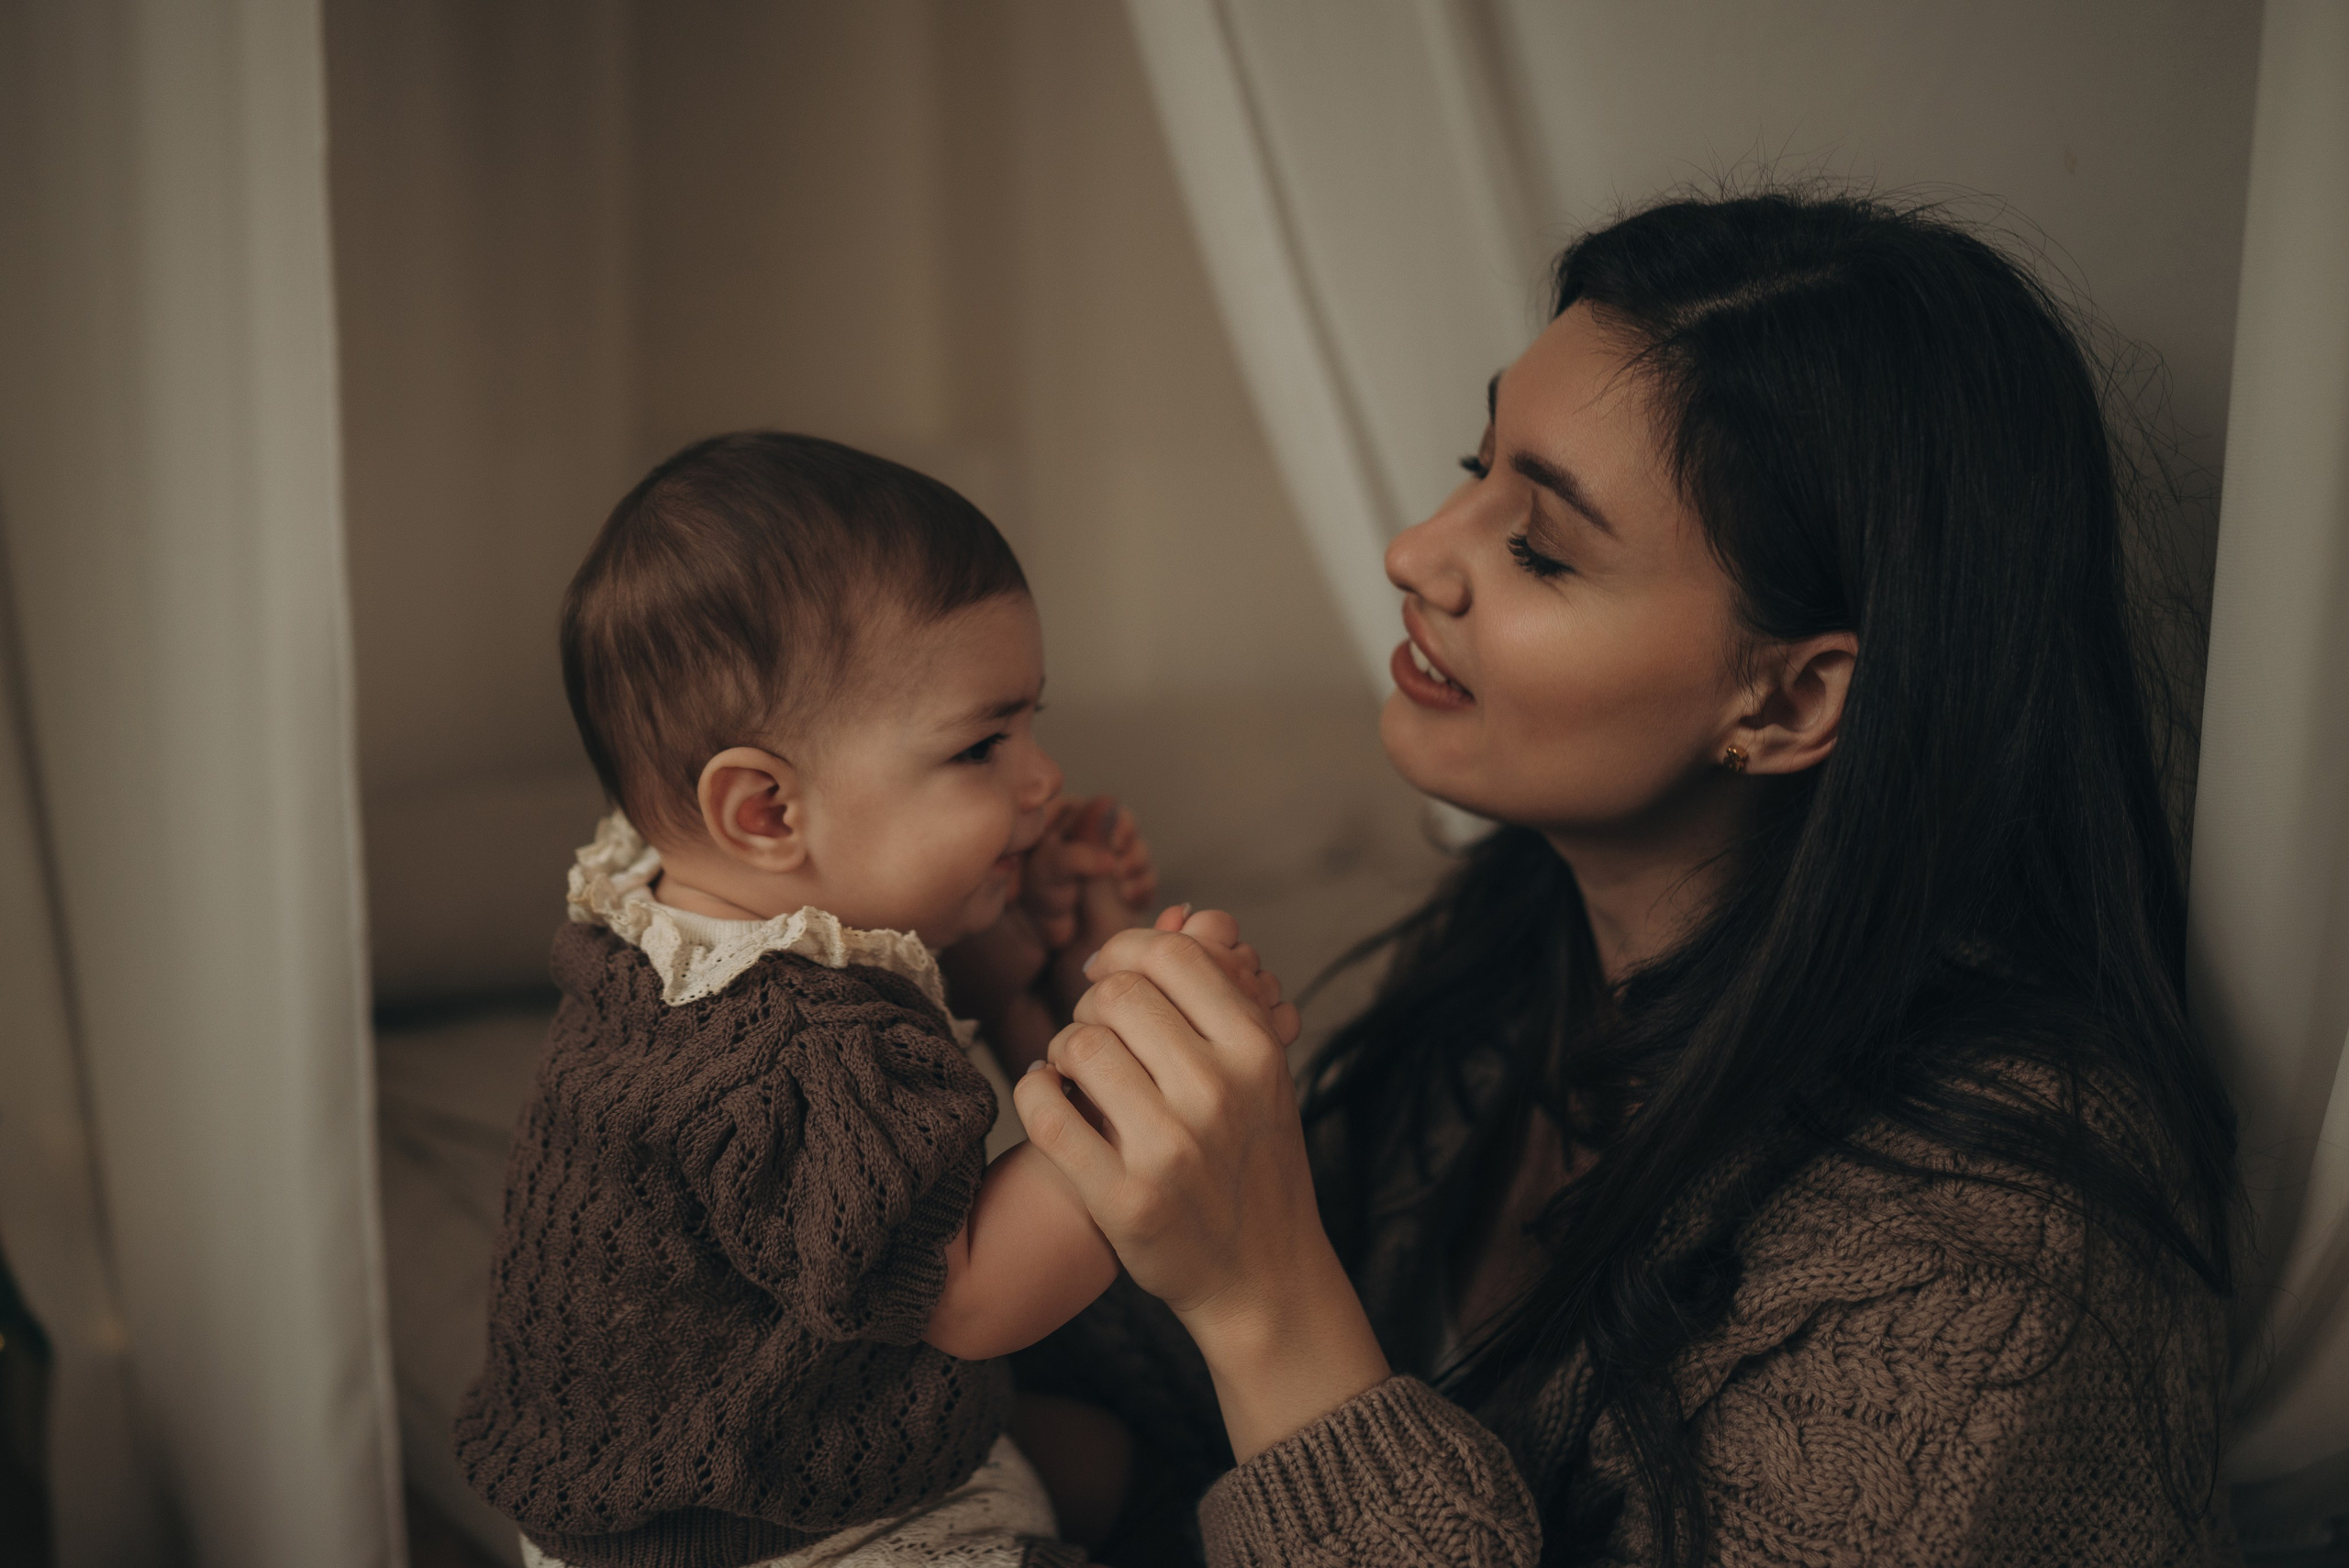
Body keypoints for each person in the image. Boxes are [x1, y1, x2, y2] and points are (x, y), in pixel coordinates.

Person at [1009, 191, 2243, 1566]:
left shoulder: (2002, 1251)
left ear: (1790, 701)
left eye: (1540, 544)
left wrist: (1268, 1299)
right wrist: (1073, 1079)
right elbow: (1208, 1469)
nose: (1415, 552)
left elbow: (1291, 1387)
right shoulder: (1513, 961)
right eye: (1471, 465)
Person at [452, 432, 1295, 1568]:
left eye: (1030, 722)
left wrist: (1015, 936)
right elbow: (974, 1296)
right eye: (983, 745)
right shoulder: (791, 1042)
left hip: (747, 1441)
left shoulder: (679, 922)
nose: (1042, 776)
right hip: (767, 1533)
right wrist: (1138, 1086)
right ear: (766, 810)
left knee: (1109, 1460)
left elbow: (909, 1024)